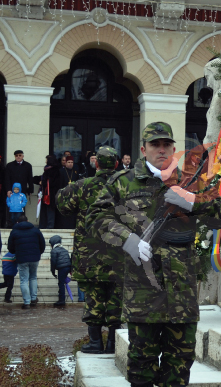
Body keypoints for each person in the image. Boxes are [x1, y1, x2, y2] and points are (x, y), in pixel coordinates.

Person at [87, 122, 221, 386]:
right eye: (155, 145)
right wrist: (128, 240)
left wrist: (192, 201)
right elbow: (96, 217)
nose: (161, 150)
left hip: (181, 295)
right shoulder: (124, 183)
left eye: (166, 145)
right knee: (141, 368)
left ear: (174, 149)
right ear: (144, 149)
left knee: (179, 368)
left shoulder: (191, 181)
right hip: (142, 294)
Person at [58, 146, 123, 353]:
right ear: (116, 164)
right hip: (118, 253)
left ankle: (95, 342)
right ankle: (113, 341)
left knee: (93, 298)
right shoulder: (125, 186)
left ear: (95, 164)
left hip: (89, 255)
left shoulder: (82, 186)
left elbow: (62, 205)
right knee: (116, 298)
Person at [6, 215, 45, 309]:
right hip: (34, 258)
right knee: (33, 277)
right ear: (28, 220)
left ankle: (27, 302)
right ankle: (33, 298)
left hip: (22, 259)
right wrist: (38, 253)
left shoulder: (14, 231)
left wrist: (16, 252)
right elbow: (42, 243)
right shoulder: (35, 230)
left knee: (23, 280)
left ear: (17, 222)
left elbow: (10, 247)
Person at [4, 150, 34, 228]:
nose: (18, 157)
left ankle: (21, 223)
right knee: (11, 206)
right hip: (12, 191)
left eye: (20, 155)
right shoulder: (9, 165)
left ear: (23, 156)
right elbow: (7, 179)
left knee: (21, 206)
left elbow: (30, 178)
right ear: (14, 156)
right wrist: (8, 189)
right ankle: (10, 224)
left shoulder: (28, 165)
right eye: (16, 155)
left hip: (22, 190)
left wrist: (30, 189)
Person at [55, 156, 81, 229]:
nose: (70, 164)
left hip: (74, 196)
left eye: (72, 162)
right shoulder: (61, 171)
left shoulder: (76, 171)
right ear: (65, 163)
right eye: (69, 162)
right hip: (64, 195)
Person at [49, 235, 71, 309]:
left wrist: (53, 271)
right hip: (67, 267)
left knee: (61, 283)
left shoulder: (54, 251)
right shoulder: (64, 249)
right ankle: (62, 299)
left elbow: (53, 262)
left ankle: (61, 300)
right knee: (62, 282)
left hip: (62, 268)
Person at [38, 155, 61, 229]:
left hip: (51, 193)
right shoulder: (50, 169)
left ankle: (49, 225)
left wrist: (43, 182)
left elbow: (51, 182)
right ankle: (45, 225)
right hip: (48, 193)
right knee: (47, 210)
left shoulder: (53, 171)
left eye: (46, 159)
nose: (45, 161)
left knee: (50, 210)